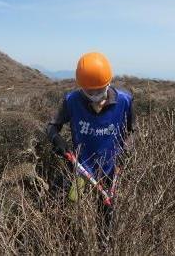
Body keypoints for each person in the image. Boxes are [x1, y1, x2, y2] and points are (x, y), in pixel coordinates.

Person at [46, 51, 134, 242]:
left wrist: (126, 150)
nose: (94, 95)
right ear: (81, 86)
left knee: (107, 219)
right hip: (80, 170)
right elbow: (52, 127)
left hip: (110, 171)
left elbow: (131, 131)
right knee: (72, 211)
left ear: (108, 82)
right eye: (89, 91)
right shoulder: (72, 101)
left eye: (99, 90)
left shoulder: (124, 102)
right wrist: (58, 142)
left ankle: (104, 246)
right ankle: (72, 244)